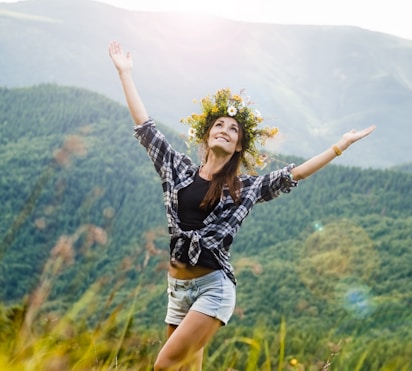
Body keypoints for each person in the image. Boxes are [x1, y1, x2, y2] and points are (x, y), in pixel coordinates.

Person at [108, 40, 376, 371]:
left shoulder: (244, 189)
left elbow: (294, 174)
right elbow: (145, 128)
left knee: (164, 366)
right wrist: (125, 73)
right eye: (219, 125)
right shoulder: (176, 169)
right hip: (176, 290)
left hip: (213, 289)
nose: (224, 130)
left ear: (237, 147)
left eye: (233, 129)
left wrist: (339, 146)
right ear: (207, 135)